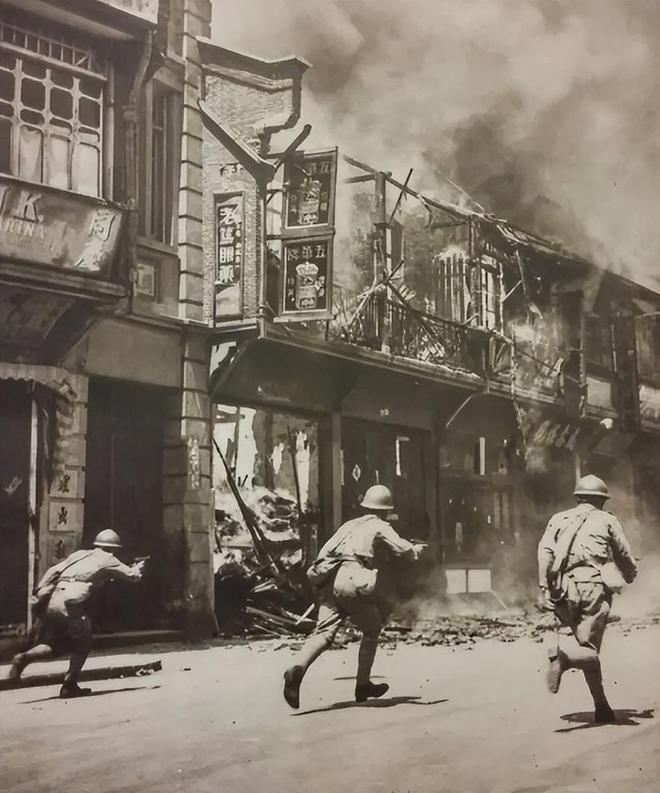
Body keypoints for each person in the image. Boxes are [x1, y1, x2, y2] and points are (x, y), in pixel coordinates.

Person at [283, 485, 424, 709]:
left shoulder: (348, 525)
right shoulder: (380, 525)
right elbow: (402, 549)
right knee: (372, 629)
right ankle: (363, 684)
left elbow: (324, 554)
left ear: (366, 506)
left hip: (328, 578)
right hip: (351, 578)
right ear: (386, 510)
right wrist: (416, 550)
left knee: (324, 633)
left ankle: (297, 668)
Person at [537, 474, 637, 723]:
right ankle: (564, 659)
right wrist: (630, 574)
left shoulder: (558, 518)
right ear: (601, 500)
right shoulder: (607, 520)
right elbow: (623, 554)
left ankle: (601, 707)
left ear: (578, 498)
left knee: (586, 645)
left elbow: (545, 551)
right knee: (589, 650)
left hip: (563, 589)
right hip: (591, 587)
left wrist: (544, 586)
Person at [8, 529, 145, 698]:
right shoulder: (109, 558)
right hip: (70, 604)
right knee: (84, 642)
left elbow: (54, 570)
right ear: (113, 548)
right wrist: (138, 568)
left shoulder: (79, 554)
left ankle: (23, 658)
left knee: (53, 645)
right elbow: (133, 576)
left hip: (53, 599)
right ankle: (69, 685)